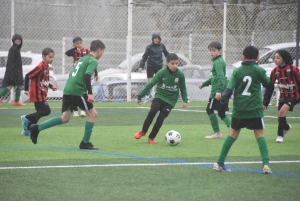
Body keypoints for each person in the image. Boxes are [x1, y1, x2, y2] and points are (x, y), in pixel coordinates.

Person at [29, 40, 105, 150]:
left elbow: (72, 73)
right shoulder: (93, 60)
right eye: (102, 52)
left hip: (68, 89)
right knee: (93, 114)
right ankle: (85, 142)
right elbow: (87, 76)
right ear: (99, 50)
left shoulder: (82, 59)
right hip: (77, 91)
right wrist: (90, 94)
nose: (102, 54)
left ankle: (37, 128)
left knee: (65, 118)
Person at [213, 46, 272, 174]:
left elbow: (228, 90)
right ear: (257, 58)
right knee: (260, 135)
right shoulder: (259, 70)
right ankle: (266, 164)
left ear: (243, 57)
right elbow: (269, 84)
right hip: (255, 108)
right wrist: (266, 101)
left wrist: (222, 105)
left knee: (232, 134)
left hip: (239, 109)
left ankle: (219, 162)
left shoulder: (237, 71)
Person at [134, 53, 188, 144]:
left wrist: (185, 100)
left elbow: (183, 88)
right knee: (152, 112)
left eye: (177, 64)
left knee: (160, 119)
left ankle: (151, 137)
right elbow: (151, 84)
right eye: (172, 63)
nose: (175, 66)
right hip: (160, 96)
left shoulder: (180, 75)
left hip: (170, 101)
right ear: (167, 63)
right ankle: (143, 131)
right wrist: (140, 95)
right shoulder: (162, 72)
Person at [263, 49, 300, 143]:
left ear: (284, 58)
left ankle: (280, 135)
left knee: (282, 112)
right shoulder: (274, 71)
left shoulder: (293, 69)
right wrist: (265, 102)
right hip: (283, 96)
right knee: (279, 118)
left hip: (293, 95)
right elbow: (270, 87)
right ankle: (286, 127)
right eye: (274, 58)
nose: (275, 60)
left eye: (278, 58)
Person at [21, 48, 57, 136]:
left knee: (39, 113)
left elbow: (44, 80)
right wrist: (26, 89)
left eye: (53, 57)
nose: (52, 59)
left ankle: (27, 129)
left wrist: (51, 86)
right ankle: (26, 118)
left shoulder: (46, 67)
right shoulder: (40, 67)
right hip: (37, 94)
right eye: (50, 57)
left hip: (42, 93)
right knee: (46, 111)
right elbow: (27, 76)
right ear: (43, 57)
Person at [198, 41, 231, 139]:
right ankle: (232, 129)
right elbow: (214, 78)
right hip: (219, 90)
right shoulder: (217, 61)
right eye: (210, 51)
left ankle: (217, 132)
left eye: (214, 50)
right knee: (221, 111)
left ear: (220, 51)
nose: (211, 52)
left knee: (210, 110)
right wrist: (204, 84)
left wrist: (219, 91)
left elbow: (221, 77)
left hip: (216, 92)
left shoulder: (217, 62)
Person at [65, 36, 98, 117]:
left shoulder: (87, 51)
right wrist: (74, 49)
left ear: (83, 43)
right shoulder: (74, 52)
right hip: (76, 75)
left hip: (85, 74)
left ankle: (83, 110)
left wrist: (96, 74)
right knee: (76, 93)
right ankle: (75, 111)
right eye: (77, 43)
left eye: (80, 43)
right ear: (74, 44)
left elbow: (93, 63)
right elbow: (67, 53)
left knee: (83, 92)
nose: (79, 45)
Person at [138, 33, 169, 102]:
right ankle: (147, 96)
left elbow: (167, 54)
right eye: (155, 38)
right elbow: (145, 57)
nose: (156, 40)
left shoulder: (162, 46)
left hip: (159, 66)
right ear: (152, 39)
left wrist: (170, 60)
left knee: (158, 82)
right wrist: (141, 66)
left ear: (160, 39)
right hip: (150, 66)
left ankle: (158, 97)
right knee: (150, 82)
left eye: (158, 38)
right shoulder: (149, 47)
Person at [0, 34, 26, 107]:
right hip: (13, 72)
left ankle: (16, 101)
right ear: (13, 41)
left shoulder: (17, 49)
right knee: (10, 86)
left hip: (18, 71)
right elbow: (11, 63)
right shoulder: (13, 49)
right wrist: (11, 73)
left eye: (19, 40)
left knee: (19, 85)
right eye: (16, 40)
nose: (18, 41)